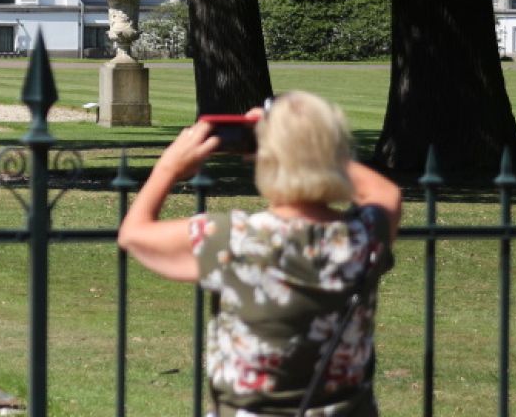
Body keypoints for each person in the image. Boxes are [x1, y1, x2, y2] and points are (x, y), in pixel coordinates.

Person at [117, 92, 401, 417]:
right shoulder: (362, 238)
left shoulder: (235, 240)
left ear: (266, 157)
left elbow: (133, 234)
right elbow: (384, 192)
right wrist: (309, 144)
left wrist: (168, 168)